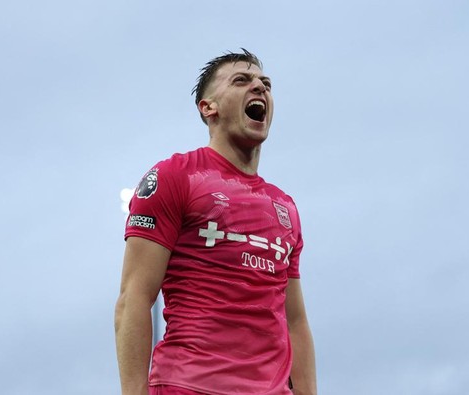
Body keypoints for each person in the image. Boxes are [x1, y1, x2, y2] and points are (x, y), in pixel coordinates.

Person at [114, 49, 317, 395]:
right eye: (242, 80)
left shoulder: (284, 206)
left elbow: (295, 321)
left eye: (265, 84)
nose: (260, 88)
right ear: (209, 108)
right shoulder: (175, 177)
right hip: (189, 386)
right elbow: (134, 298)